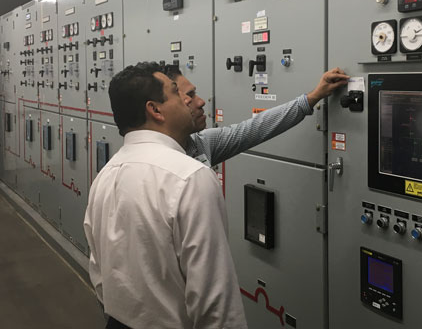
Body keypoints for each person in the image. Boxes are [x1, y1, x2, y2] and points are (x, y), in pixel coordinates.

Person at [84, 62, 348, 329]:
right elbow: (215, 301)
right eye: (180, 94)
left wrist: (311, 98)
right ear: (155, 110)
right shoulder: (189, 177)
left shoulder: (105, 176)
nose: (198, 102)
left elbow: (99, 274)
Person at [162, 64, 350, 166]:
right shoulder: (154, 164)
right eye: (190, 96)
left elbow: (257, 127)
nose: (201, 102)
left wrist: (314, 96)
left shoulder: (201, 143)